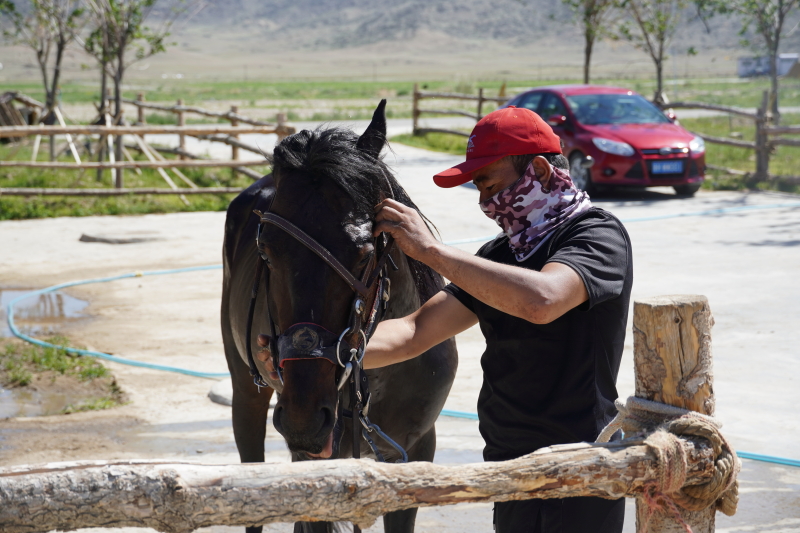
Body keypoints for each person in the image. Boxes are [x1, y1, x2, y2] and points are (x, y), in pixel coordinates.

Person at [367, 106, 633, 532]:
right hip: (510, 465)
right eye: (478, 189)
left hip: (583, 467)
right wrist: (324, 352)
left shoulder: (596, 236)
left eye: (490, 184)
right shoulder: (499, 255)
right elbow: (415, 331)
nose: (485, 203)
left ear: (540, 170)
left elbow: (542, 301)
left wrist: (432, 252)